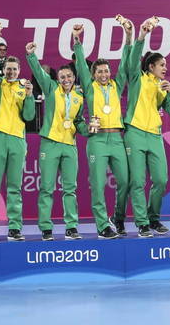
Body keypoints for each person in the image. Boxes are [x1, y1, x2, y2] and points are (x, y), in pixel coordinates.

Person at [72, 21, 132, 238]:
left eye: (106, 71)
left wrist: (128, 36)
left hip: (117, 138)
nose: (104, 74)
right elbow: (80, 64)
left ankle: (117, 216)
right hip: (97, 140)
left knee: (125, 182)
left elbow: (125, 63)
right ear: (93, 73)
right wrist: (77, 40)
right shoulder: (89, 87)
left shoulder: (117, 85)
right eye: (99, 71)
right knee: (97, 185)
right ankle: (102, 225)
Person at [124, 17, 170, 237]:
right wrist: (141, 37)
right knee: (138, 182)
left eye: (166, 66)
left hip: (155, 136)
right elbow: (131, 62)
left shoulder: (162, 86)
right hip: (135, 134)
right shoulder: (138, 79)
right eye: (162, 65)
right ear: (151, 66)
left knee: (161, 180)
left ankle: (153, 218)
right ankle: (142, 223)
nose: (165, 69)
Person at [27, 42, 88, 241]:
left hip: (70, 145)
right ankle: (46, 227)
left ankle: (71, 226)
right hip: (50, 143)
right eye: (62, 77)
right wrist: (31, 56)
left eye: (69, 76)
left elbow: (78, 122)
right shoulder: (52, 89)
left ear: (73, 77)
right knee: (46, 188)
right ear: (58, 78)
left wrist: (88, 130)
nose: (66, 79)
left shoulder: (79, 96)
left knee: (70, 189)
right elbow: (38, 72)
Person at [0, 31, 36, 241]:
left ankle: (14, 227)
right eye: (8, 69)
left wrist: (30, 96)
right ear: (3, 70)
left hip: (17, 140)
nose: (11, 72)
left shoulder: (24, 89)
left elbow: (29, 116)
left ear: (19, 71)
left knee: (15, 187)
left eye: (14, 69)